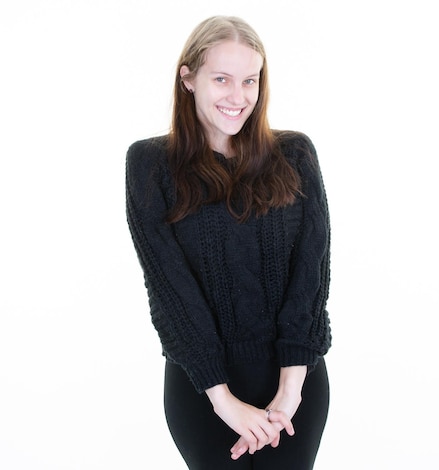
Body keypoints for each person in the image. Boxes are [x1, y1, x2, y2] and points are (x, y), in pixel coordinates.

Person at [125, 15, 332, 469]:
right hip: (202, 389)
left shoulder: (295, 154)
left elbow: (311, 278)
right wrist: (224, 402)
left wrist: (288, 393)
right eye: (221, 79)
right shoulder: (150, 164)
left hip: (295, 384)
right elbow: (169, 289)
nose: (237, 97)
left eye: (249, 81)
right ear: (188, 78)